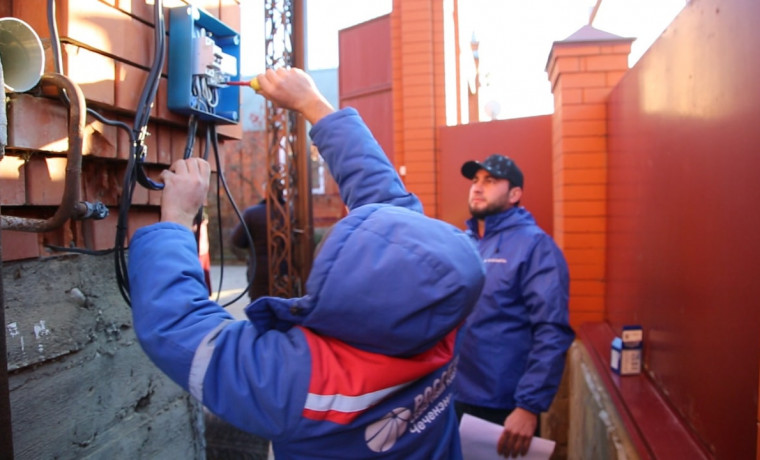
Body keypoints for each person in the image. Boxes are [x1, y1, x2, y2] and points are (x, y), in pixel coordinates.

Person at [127, 67, 485, 459]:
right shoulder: (443, 313)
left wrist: (177, 219)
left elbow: (177, 326)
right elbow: (389, 203)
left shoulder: (301, 379)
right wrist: (312, 104)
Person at [454, 154, 575, 458]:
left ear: (514, 194)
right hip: (455, 396)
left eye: (490, 180)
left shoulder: (535, 247)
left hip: (504, 407)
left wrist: (528, 406)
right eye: (475, 180)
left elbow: (551, 330)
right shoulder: (465, 244)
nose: (477, 187)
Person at [230, 198, 270, 301]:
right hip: (286, 277)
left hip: (259, 273)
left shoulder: (252, 213)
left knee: (259, 307)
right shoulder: (292, 212)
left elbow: (237, 240)